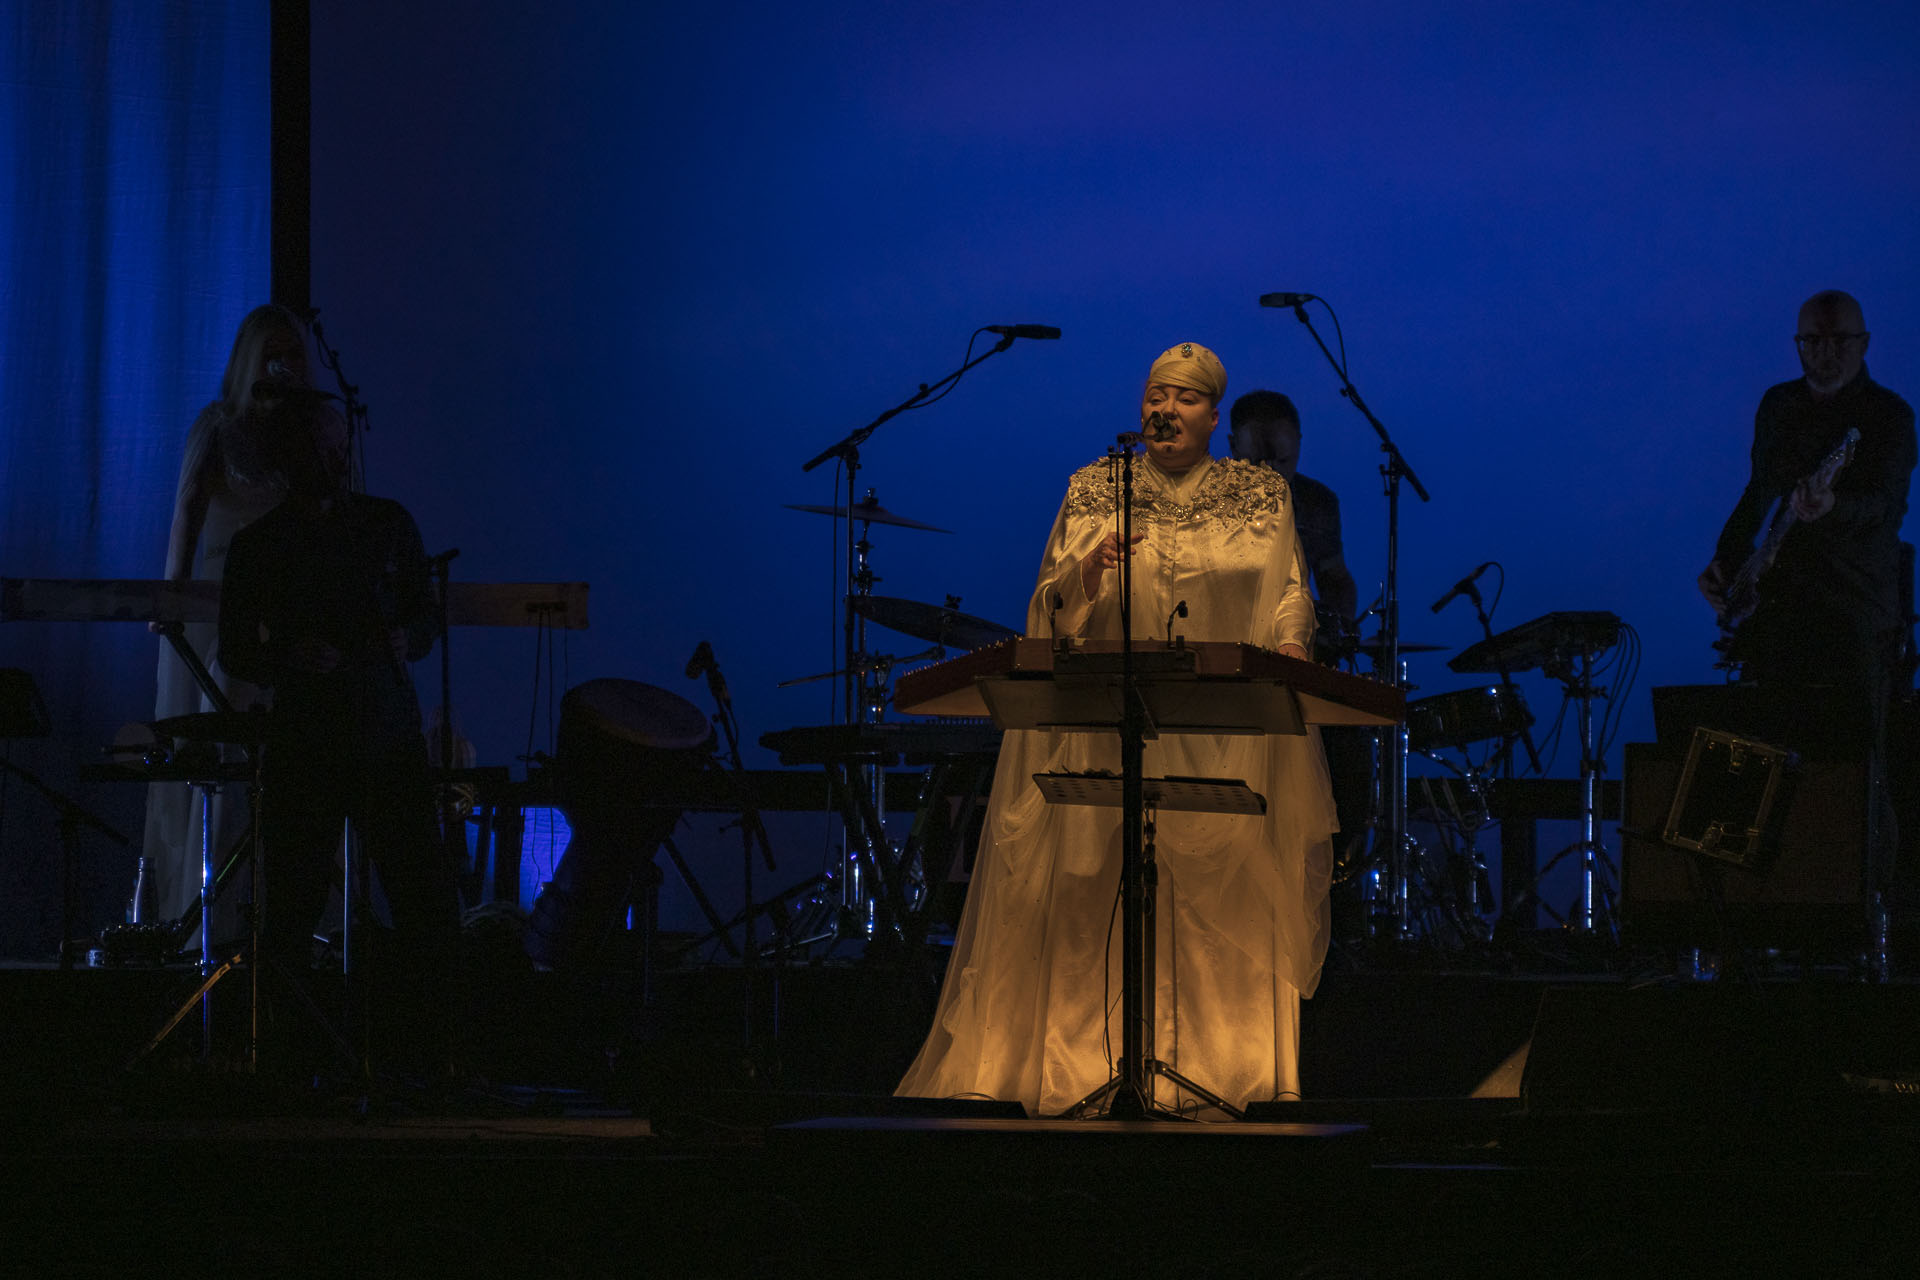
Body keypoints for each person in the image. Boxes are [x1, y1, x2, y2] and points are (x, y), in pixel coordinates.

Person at [896, 342, 1338, 1115]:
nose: (1164, 408)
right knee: (1097, 889)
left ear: (1213, 416)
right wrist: (1086, 574)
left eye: (1184, 398)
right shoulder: (1098, 486)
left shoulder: (1260, 494)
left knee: (1217, 902)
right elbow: (1049, 604)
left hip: (1220, 730)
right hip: (1108, 728)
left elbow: (1289, 592)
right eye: (1154, 394)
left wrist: (1292, 646)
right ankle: (1087, 1071)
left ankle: (1218, 1075)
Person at [217, 405, 458, 1070]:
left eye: (339, 445)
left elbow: (425, 612)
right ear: (288, 458)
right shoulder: (262, 545)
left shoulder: (385, 526)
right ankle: (290, 1056)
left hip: (387, 734)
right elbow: (236, 649)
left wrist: (414, 637)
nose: (334, 459)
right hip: (308, 743)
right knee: (292, 904)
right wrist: (289, 657)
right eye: (319, 448)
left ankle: (427, 1055)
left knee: (421, 898)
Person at [1697, 290, 1916, 898]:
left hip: (1852, 613)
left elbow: (1885, 507)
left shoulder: (1888, 417)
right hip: (1778, 612)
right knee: (1755, 762)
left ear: (1863, 344)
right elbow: (1758, 491)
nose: (1823, 354)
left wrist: (1831, 506)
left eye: (1837, 341)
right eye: (1811, 342)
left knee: (1855, 774)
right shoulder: (1779, 406)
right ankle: (1755, 916)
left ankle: (1869, 920)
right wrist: (1725, 561)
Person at [143, 304, 339, 940]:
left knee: (291, 768)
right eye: (272, 353)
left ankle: (291, 925)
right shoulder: (220, 427)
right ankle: (214, 925)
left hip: (290, 618)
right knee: (227, 762)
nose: (284, 364)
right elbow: (187, 515)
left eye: (294, 354)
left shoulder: (308, 437)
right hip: (221, 620)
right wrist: (171, 597)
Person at [1228, 390, 1360, 635]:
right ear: (1233, 447)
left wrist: (1339, 623)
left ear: (1298, 443)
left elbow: (1334, 577)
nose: (1271, 474)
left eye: (1282, 462)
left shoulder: (1318, 502)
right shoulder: (1205, 497)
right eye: (1257, 463)